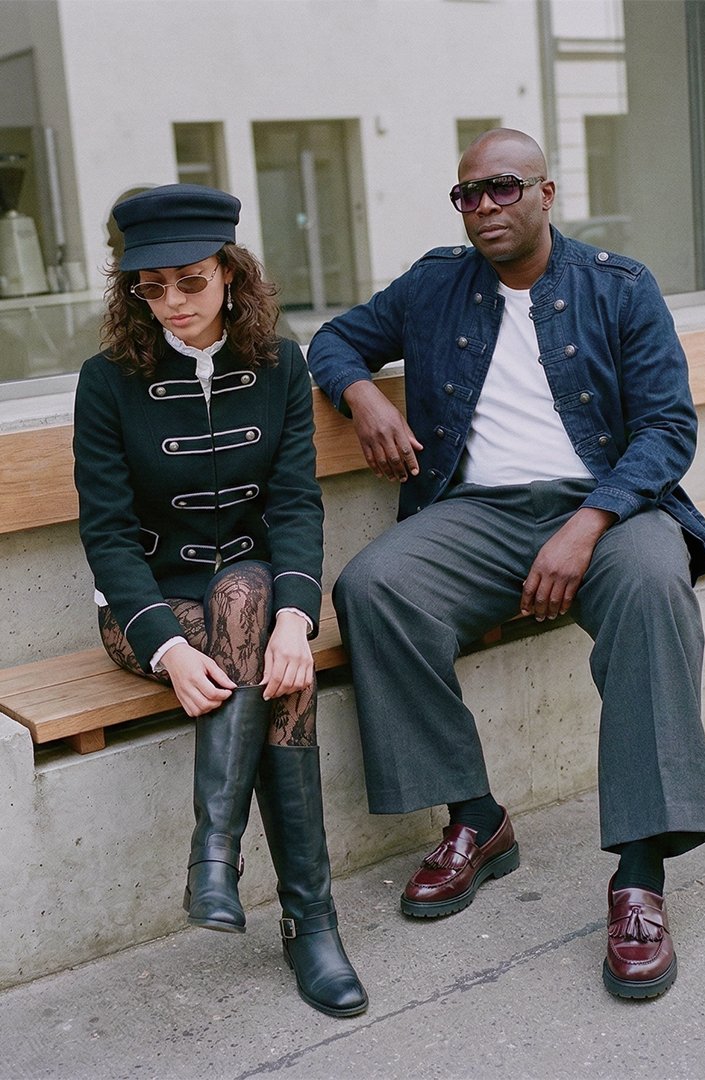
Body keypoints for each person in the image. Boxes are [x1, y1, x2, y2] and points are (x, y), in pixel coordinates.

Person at [307, 128, 705, 1000]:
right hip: (478, 512)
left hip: (611, 506)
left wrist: (588, 523)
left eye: (504, 188)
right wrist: (361, 396)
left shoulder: (620, 286)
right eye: (469, 195)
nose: (485, 207)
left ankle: (639, 878)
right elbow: (333, 341)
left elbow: (667, 428)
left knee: (654, 588)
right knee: (374, 587)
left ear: (546, 192)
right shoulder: (434, 284)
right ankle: (476, 819)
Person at [73, 183, 367, 1018]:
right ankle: (311, 923)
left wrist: (296, 622)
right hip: (149, 611)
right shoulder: (106, 381)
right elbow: (108, 535)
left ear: (231, 273)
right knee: (254, 637)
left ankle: (215, 857)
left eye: (191, 281)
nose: (172, 302)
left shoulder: (280, 364)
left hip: (256, 597)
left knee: (249, 594)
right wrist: (167, 648)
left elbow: (296, 504)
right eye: (151, 286)